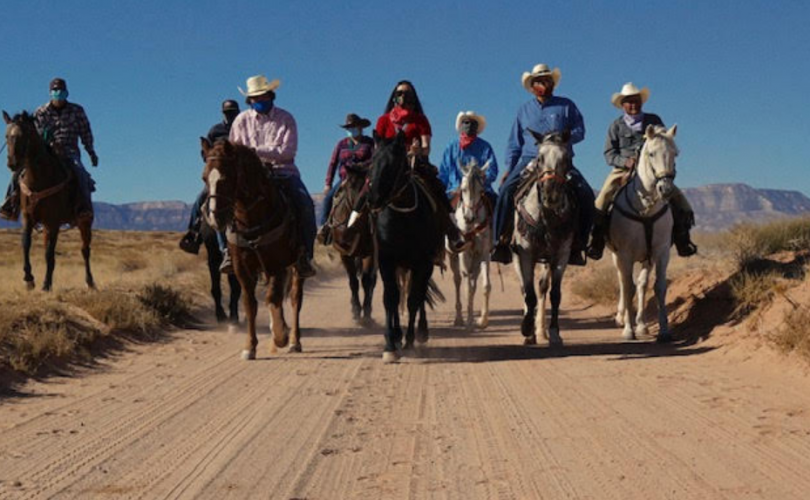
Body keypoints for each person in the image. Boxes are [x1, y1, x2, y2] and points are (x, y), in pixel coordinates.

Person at [491, 64, 594, 265]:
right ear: (531, 86)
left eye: (546, 80)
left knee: (586, 194)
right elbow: (514, 142)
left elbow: (580, 130)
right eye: (538, 81)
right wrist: (509, 168)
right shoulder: (524, 111)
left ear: (552, 83)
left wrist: (564, 139)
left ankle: (579, 244)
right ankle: (500, 243)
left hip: (560, 161)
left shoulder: (566, 105)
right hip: (529, 160)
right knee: (505, 191)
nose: (542, 84)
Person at [587, 82, 697, 259]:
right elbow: (609, 154)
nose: (633, 104)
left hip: (653, 170)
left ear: (641, 102)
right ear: (622, 104)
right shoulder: (616, 126)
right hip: (623, 171)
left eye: (636, 100)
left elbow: (664, 142)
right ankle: (597, 241)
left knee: (680, 201)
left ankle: (683, 239)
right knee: (602, 199)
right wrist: (625, 161)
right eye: (628, 101)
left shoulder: (654, 120)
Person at [228, 74, 317, 277]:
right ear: (249, 100)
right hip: (248, 176)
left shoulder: (286, 119)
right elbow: (234, 150)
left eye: (262, 96)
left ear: (271, 95)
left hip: (283, 172)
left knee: (305, 204)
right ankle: (228, 251)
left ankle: (304, 255)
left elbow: (287, 152)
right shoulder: (241, 121)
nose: (259, 100)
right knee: (222, 204)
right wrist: (256, 153)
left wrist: (253, 150)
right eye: (255, 98)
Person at [369, 80, 469, 253]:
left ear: (413, 96)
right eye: (399, 93)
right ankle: (354, 228)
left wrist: (417, 150)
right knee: (367, 190)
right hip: (389, 167)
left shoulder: (420, 120)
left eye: (406, 93)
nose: (402, 96)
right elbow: (379, 149)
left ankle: (452, 231)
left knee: (436, 188)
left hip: (415, 164)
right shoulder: (383, 121)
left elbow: (426, 147)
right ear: (394, 97)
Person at [1, 78, 98, 221]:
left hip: (69, 151)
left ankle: (83, 208)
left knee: (80, 173)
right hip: (45, 151)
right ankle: (10, 204)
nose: (58, 93)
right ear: (50, 93)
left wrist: (91, 152)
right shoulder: (41, 112)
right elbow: (34, 133)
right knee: (19, 172)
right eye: (55, 91)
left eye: (61, 91)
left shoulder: (77, 111)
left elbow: (85, 132)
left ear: (66, 92)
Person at [179, 99, 240, 254]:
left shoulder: (243, 127)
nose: (230, 116)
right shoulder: (215, 131)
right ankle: (193, 233)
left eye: (233, 112)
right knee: (202, 198)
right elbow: (205, 153)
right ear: (223, 114)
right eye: (228, 113)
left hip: (238, 175)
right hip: (219, 175)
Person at [318, 113, 374, 245]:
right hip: (345, 179)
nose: (352, 130)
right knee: (328, 199)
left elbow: (375, 159)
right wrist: (328, 183)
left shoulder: (369, 143)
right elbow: (333, 163)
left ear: (360, 128)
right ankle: (325, 228)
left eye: (354, 127)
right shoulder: (341, 144)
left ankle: (377, 229)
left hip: (364, 180)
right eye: (349, 128)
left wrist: (361, 166)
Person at [438, 111, 499, 207]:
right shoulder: (451, 147)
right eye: (466, 122)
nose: (469, 125)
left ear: (477, 127)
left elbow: (492, 169)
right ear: (461, 125)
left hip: (481, 190)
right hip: (454, 191)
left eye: (473, 123)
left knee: (499, 207)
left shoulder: (485, 147)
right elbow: (444, 173)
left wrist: (483, 179)